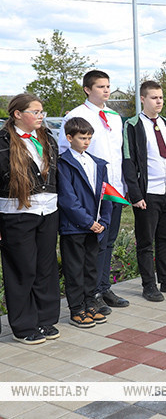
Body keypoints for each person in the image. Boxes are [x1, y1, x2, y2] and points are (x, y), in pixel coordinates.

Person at [59, 70, 129, 315]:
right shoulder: (77, 115)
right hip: (88, 194)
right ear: (88, 89)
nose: (106, 91)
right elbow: (65, 154)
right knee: (94, 246)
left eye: (108, 86)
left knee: (108, 243)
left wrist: (123, 186)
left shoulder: (114, 116)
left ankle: (103, 286)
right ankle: (92, 294)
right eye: (101, 86)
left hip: (114, 189)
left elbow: (118, 154)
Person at [0, 93, 61, 344]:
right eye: (35, 112)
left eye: (41, 111)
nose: (40, 116)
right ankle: (24, 326)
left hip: (48, 210)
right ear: (17, 114)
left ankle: (45, 320)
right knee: (22, 269)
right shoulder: (3, 141)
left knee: (45, 268)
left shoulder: (47, 137)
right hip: (16, 213)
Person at [123, 81, 166, 302]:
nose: (158, 101)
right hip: (148, 192)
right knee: (146, 241)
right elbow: (129, 160)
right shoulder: (132, 125)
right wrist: (136, 194)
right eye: (153, 97)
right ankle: (149, 284)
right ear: (142, 99)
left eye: (160, 97)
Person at [57, 117, 112, 328]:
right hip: (74, 228)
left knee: (91, 268)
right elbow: (67, 199)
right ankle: (76, 309)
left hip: (95, 227)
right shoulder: (63, 164)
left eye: (89, 138)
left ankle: (90, 304)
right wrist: (88, 222)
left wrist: (103, 221)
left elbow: (106, 194)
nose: (86, 142)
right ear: (69, 138)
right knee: (75, 269)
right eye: (82, 138)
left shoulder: (98, 163)